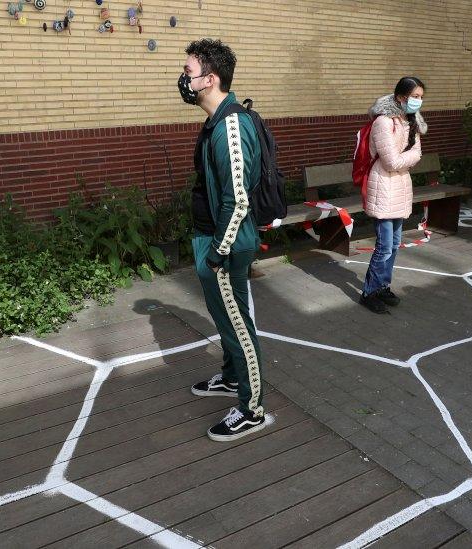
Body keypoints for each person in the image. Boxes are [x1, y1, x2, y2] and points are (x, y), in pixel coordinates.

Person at [181, 39, 268, 442]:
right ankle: (233, 377)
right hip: (209, 240)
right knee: (224, 319)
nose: (183, 79)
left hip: (225, 246)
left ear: (210, 79)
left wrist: (217, 253)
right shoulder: (215, 120)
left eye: (188, 72)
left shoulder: (231, 125)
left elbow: (238, 201)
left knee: (239, 326)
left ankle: (251, 408)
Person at [359, 76, 427, 314]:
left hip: (400, 187)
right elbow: (391, 162)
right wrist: (409, 158)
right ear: (401, 97)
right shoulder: (383, 122)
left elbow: (417, 152)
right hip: (384, 187)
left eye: (420, 97)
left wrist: (407, 158)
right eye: (414, 97)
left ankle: (383, 286)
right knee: (384, 246)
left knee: (395, 244)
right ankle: (369, 292)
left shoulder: (411, 120)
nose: (418, 102)